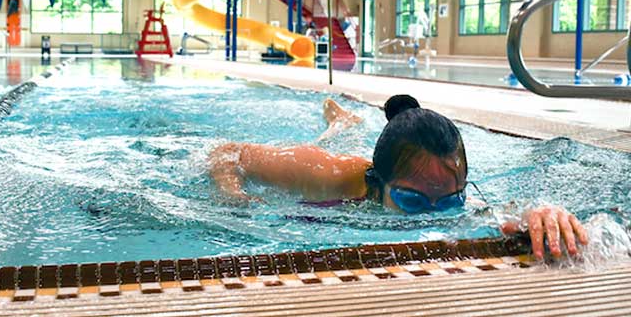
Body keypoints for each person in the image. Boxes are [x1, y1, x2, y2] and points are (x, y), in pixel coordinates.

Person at [208, 94, 589, 261]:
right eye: (411, 201)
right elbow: (226, 152)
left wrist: (544, 216)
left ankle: (349, 122)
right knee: (339, 140)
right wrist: (233, 199)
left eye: (450, 201)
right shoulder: (329, 175)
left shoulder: (442, 193)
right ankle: (342, 121)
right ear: (377, 185)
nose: (431, 214)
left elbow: (510, 214)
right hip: (340, 160)